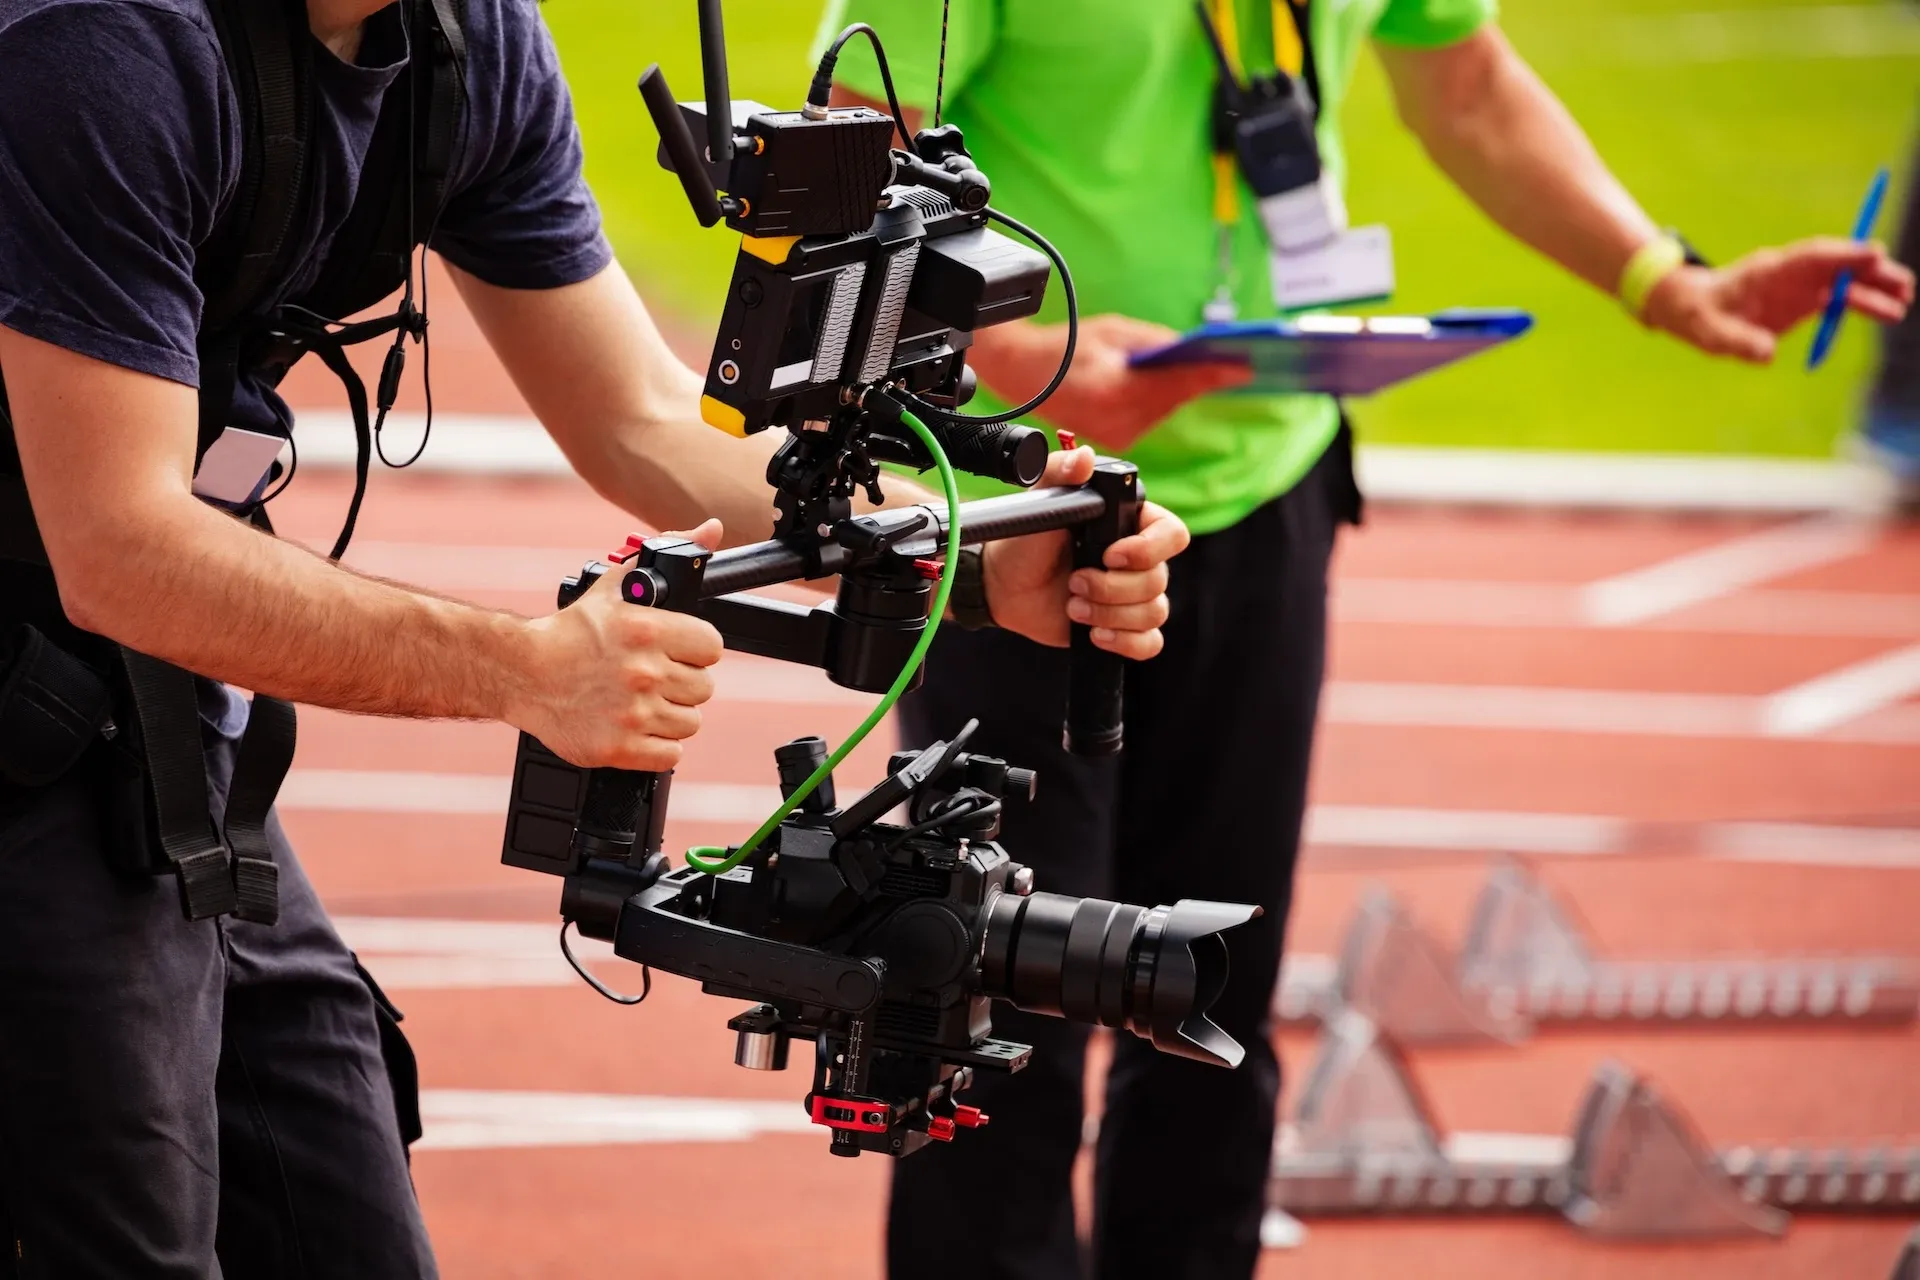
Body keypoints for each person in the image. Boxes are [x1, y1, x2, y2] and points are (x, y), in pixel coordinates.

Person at [0, 0, 1191, 1275]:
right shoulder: (98, 48)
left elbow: (640, 416)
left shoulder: (468, 40)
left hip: (153, 714)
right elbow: (122, 552)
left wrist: (971, 553)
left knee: (339, 1214)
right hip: (44, 704)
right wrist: (523, 670)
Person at [814, 1, 1916, 1277]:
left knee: (1209, 1006)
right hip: (1023, 515)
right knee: (996, 1019)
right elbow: (850, 176)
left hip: (1268, 485)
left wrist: (1665, 277)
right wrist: (1026, 355)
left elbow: (1470, 88)